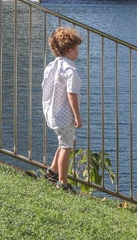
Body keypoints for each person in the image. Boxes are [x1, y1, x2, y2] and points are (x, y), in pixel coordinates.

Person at [42, 26, 83, 191]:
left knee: (66, 140)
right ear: (71, 49)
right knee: (67, 146)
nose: (78, 52)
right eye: (77, 49)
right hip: (64, 115)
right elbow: (71, 94)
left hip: (52, 112)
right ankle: (63, 182)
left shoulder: (52, 66)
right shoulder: (70, 70)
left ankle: (52, 171)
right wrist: (77, 117)